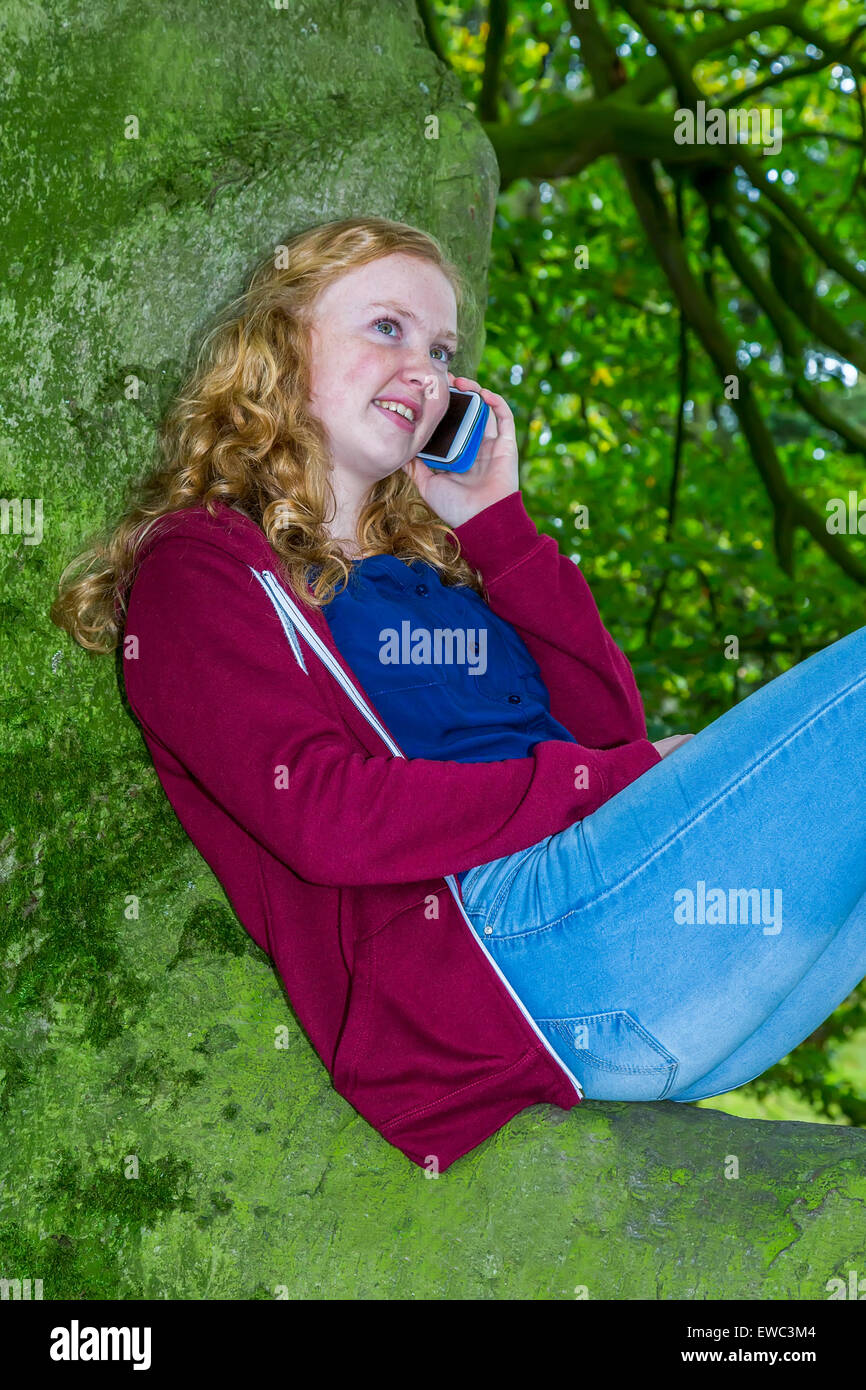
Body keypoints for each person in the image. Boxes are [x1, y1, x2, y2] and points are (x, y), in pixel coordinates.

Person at [50, 216, 866, 1172]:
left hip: (672, 955)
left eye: (442, 350)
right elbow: (325, 816)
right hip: (516, 960)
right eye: (387, 329)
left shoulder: (439, 573)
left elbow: (610, 737)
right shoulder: (201, 570)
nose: (426, 371)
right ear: (279, 344)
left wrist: (499, 528)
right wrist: (611, 780)